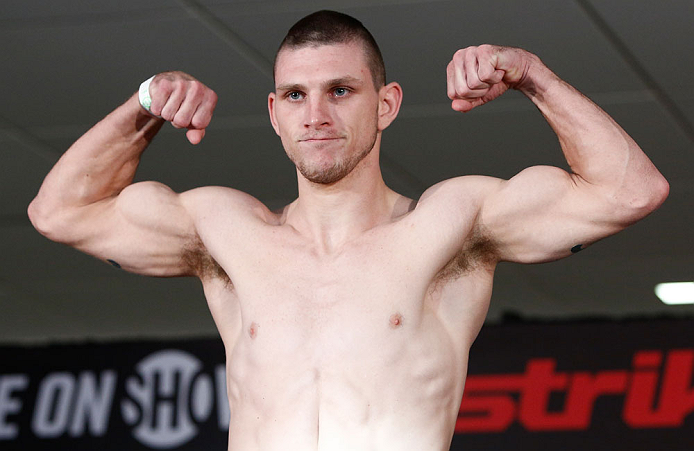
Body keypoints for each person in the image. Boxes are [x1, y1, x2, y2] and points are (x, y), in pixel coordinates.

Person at [28, 10, 668, 451]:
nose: (318, 115)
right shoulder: (224, 233)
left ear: (385, 103)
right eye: (297, 96)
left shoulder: (449, 225)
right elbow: (60, 212)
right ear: (275, 115)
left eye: (340, 90)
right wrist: (145, 107)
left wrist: (531, 73)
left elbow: (630, 190)